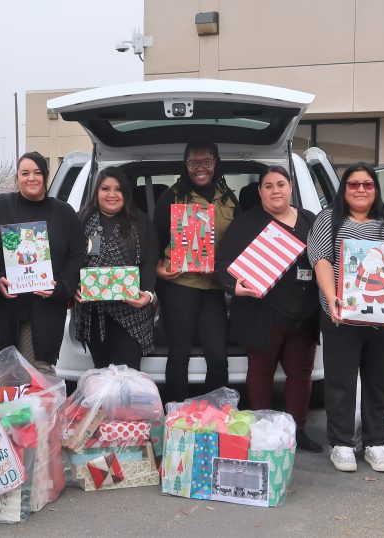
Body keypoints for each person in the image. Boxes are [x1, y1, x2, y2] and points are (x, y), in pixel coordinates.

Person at [308, 162, 384, 474]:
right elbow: (321, 259)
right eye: (353, 184)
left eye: (367, 184)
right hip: (342, 315)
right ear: (344, 188)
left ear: (375, 189)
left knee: (379, 382)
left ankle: (375, 442)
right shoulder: (329, 217)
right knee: (340, 382)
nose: (360, 190)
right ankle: (341, 444)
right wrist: (331, 296)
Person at [216, 165, 322, 453]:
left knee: (301, 374)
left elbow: (327, 258)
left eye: (280, 184)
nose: (275, 190)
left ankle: (298, 430)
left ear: (290, 188)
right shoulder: (245, 223)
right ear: (260, 191)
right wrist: (233, 285)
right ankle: (262, 430)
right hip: (261, 313)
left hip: (304, 313)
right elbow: (223, 263)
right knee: (261, 372)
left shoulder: (311, 220)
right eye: (268, 186)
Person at [0, 151, 85, 374]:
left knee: (39, 372)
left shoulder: (64, 213)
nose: (31, 178)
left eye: (37, 173)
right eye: (25, 173)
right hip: (1, 308)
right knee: (3, 373)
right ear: (17, 177)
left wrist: (61, 287)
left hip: (43, 309)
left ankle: (41, 399)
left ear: (45, 176)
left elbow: (76, 255)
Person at [153, 139, 238, 401]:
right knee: (179, 353)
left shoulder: (228, 198)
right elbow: (154, 240)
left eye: (206, 161)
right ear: (185, 165)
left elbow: (239, 242)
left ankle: (214, 415)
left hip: (214, 286)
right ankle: (177, 415)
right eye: (193, 163)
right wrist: (158, 270)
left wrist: (225, 271)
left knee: (218, 357)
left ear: (216, 163)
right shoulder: (172, 196)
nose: (200, 168)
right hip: (179, 285)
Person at [73, 167, 159, 369]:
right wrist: (73, 287)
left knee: (127, 375)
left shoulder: (141, 222)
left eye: (118, 189)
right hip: (94, 314)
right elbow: (72, 259)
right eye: (105, 189)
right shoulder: (81, 220)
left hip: (132, 313)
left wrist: (147, 294)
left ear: (126, 193)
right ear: (96, 192)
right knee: (102, 375)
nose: (112, 194)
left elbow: (149, 261)